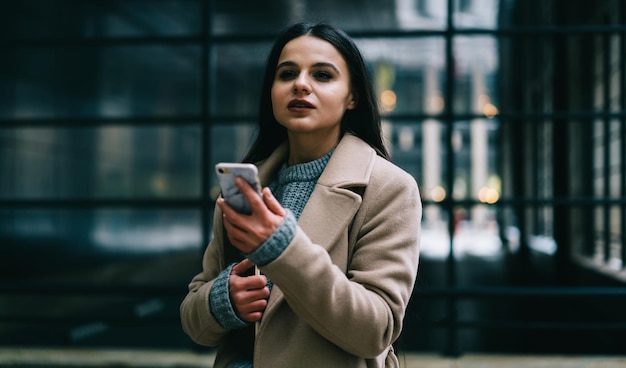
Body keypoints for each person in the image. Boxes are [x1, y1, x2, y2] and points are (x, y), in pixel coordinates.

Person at [180, 22, 421, 368]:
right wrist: (224, 301)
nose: (301, 84)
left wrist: (283, 249)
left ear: (352, 95)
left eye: (322, 75)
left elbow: (375, 330)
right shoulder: (247, 185)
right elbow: (193, 321)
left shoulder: (388, 187)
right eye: (287, 73)